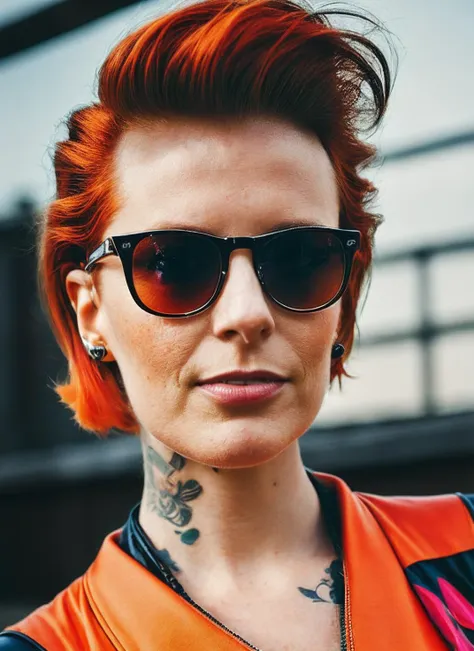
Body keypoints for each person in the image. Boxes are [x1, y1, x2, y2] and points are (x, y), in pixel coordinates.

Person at [1, 0, 473, 648]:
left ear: (345, 296)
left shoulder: (464, 551)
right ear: (92, 312)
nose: (247, 313)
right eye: (172, 263)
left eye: (301, 259)